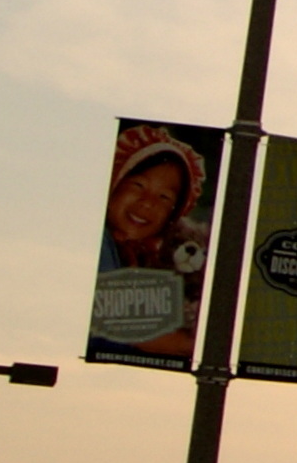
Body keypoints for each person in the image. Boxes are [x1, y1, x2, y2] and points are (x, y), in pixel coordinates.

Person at [89, 122, 211, 361]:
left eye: (164, 197)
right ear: (114, 182)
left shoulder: (136, 255)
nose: (147, 203)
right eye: (138, 185)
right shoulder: (101, 242)